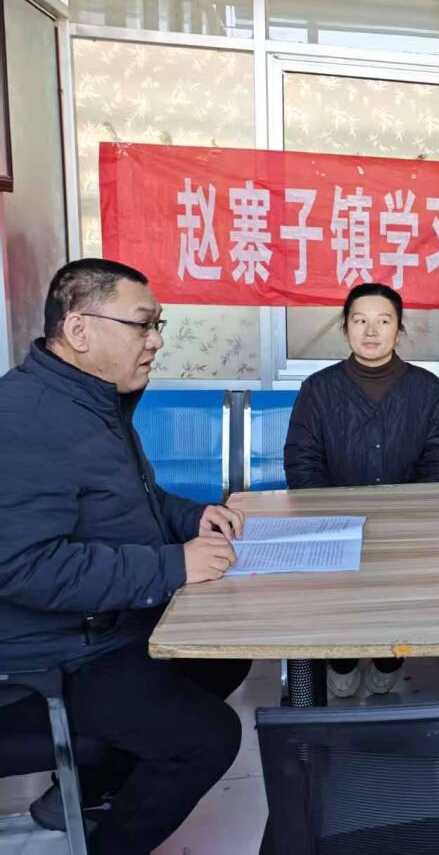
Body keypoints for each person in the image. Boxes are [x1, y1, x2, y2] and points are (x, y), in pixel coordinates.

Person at [0, 259, 249, 855]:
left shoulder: (93, 399)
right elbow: (23, 567)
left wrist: (192, 517)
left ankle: (92, 788)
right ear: (79, 329)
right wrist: (173, 566)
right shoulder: (26, 419)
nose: (156, 340)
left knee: (225, 656)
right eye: (143, 324)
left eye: (157, 324)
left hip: (105, 623)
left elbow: (133, 498)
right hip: (56, 653)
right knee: (207, 738)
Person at [284, 283, 439, 697]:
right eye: (360, 320)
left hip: (408, 527)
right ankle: (341, 660)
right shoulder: (318, 388)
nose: (371, 331)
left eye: (383, 321)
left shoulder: (426, 388)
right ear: (345, 328)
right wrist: (333, 518)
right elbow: (301, 461)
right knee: (338, 598)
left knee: (399, 592)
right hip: (335, 526)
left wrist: (409, 516)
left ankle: (389, 658)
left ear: (399, 329)